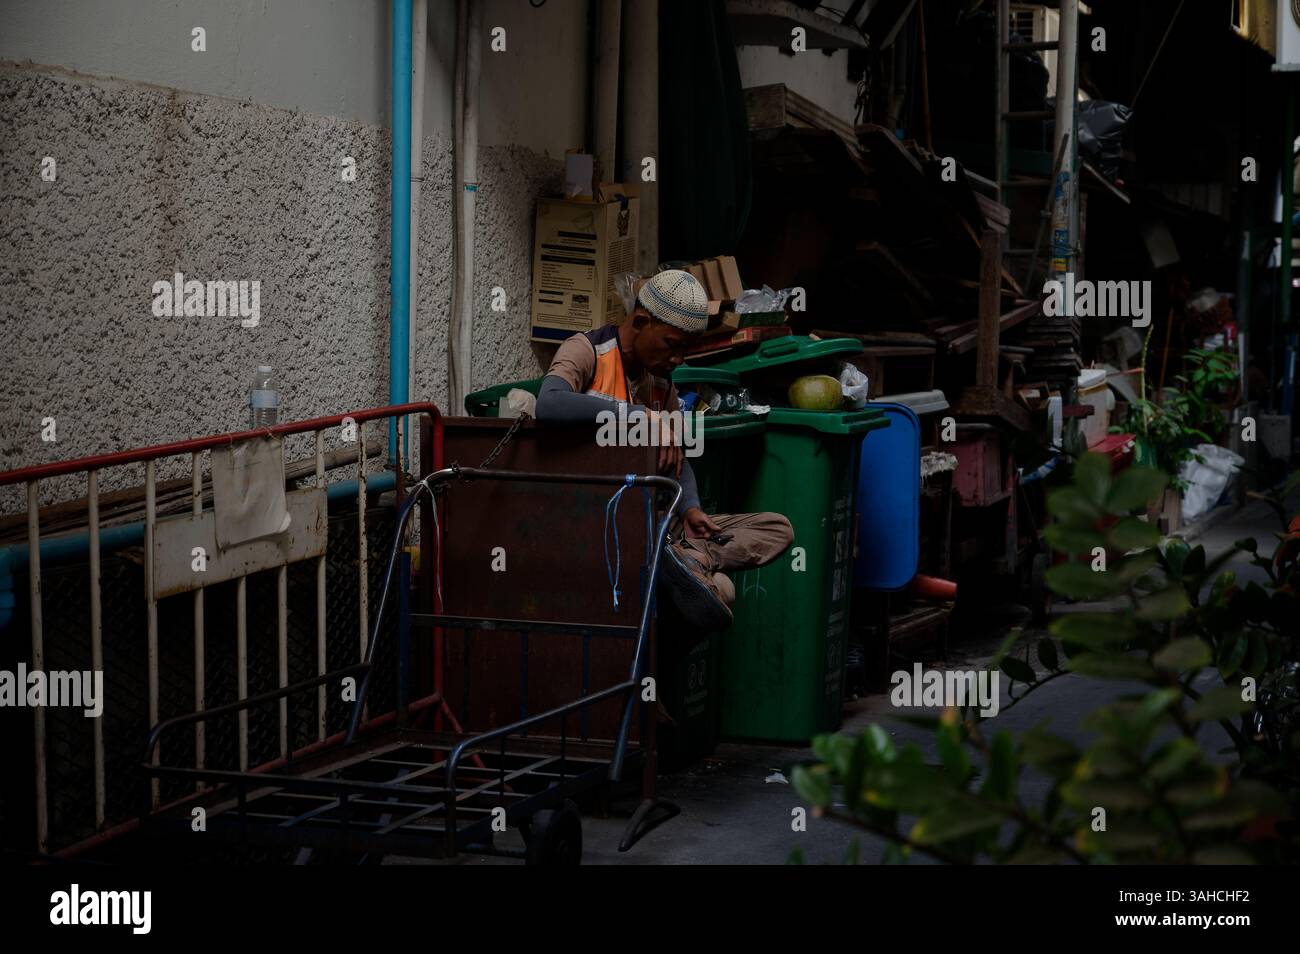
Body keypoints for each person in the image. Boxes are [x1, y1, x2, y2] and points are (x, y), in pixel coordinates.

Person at [535, 268, 793, 630]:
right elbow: (549, 404)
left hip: (661, 523)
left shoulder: (661, 382)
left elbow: (677, 458)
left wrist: (690, 508)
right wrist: (638, 416)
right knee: (722, 591)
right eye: (672, 345)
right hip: (605, 525)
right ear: (641, 321)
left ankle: (686, 557)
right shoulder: (588, 351)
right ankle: (679, 562)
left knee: (776, 529)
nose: (677, 359)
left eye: (685, 350)